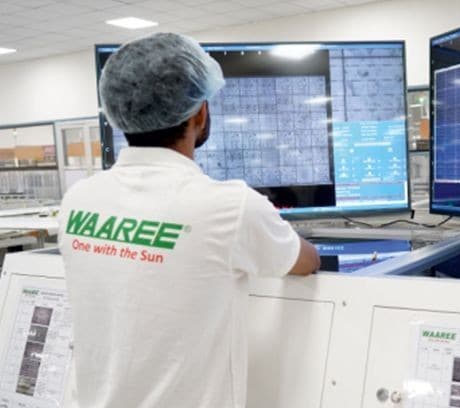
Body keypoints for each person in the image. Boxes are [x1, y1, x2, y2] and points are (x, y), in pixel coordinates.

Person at [58, 32, 320, 408]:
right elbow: (305, 260)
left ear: (119, 113)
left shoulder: (78, 200)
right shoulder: (230, 207)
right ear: (199, 113)